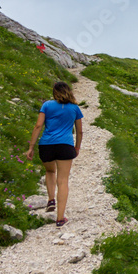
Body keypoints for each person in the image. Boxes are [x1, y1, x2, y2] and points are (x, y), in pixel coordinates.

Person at [25, 81, 83, 227]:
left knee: (50, 171)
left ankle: (51, 199)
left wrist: (31, 147)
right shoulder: (75, 108)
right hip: (65, 145)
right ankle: (60, 218)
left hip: (46, 144)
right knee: (63, 181)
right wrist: (77, 147)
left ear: (54, 92)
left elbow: (38, 125)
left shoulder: (46, 105)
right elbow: (80, 131)